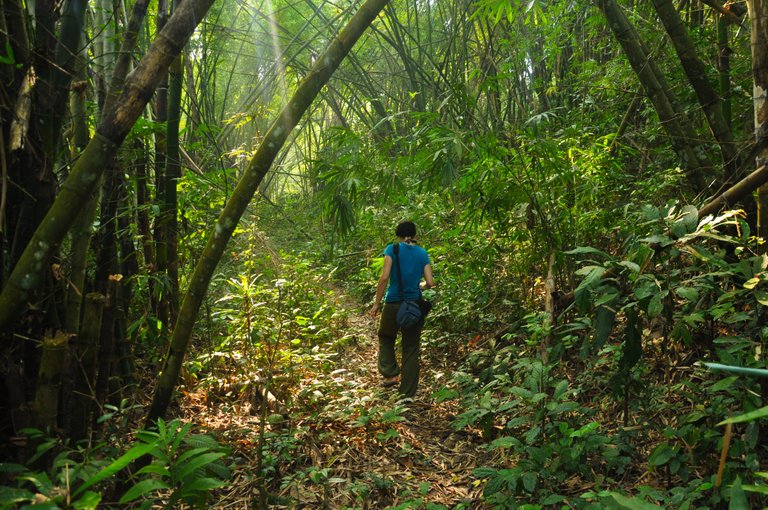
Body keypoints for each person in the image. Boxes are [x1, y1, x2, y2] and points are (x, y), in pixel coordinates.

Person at [369, 221, 435, 397]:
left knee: (385, 335)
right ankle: (407, 394)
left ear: (398, 234)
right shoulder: (422, 253)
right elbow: (430, 283)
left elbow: (384, 277)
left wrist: (376, 304)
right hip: (414, 305)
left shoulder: (393, 249)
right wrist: (419, 287)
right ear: (414, 235)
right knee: (411, 347)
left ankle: (390, 374)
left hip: (393, 303)